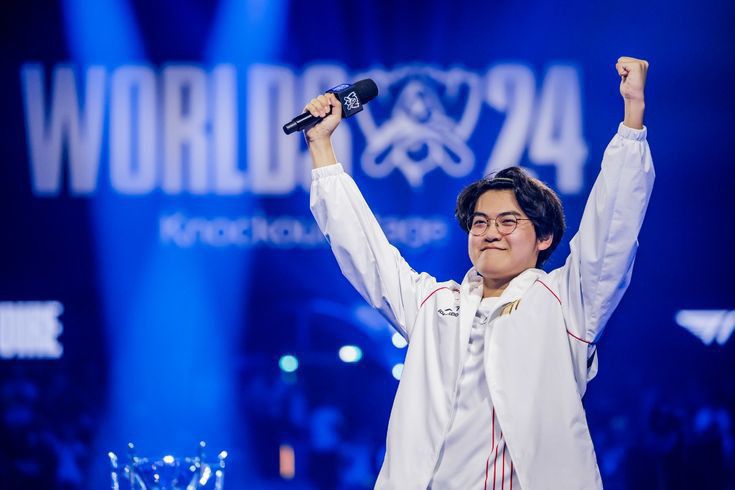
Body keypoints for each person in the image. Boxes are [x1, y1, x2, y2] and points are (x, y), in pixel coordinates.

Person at [305, 57, 654, 489]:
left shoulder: (566, 302)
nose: (490, 232)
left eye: (508, 222)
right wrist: (321, 145)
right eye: (480, 223)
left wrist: (632, 119)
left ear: (544, 237)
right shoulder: (433, 305)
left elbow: (613, 228)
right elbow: (364, 251)